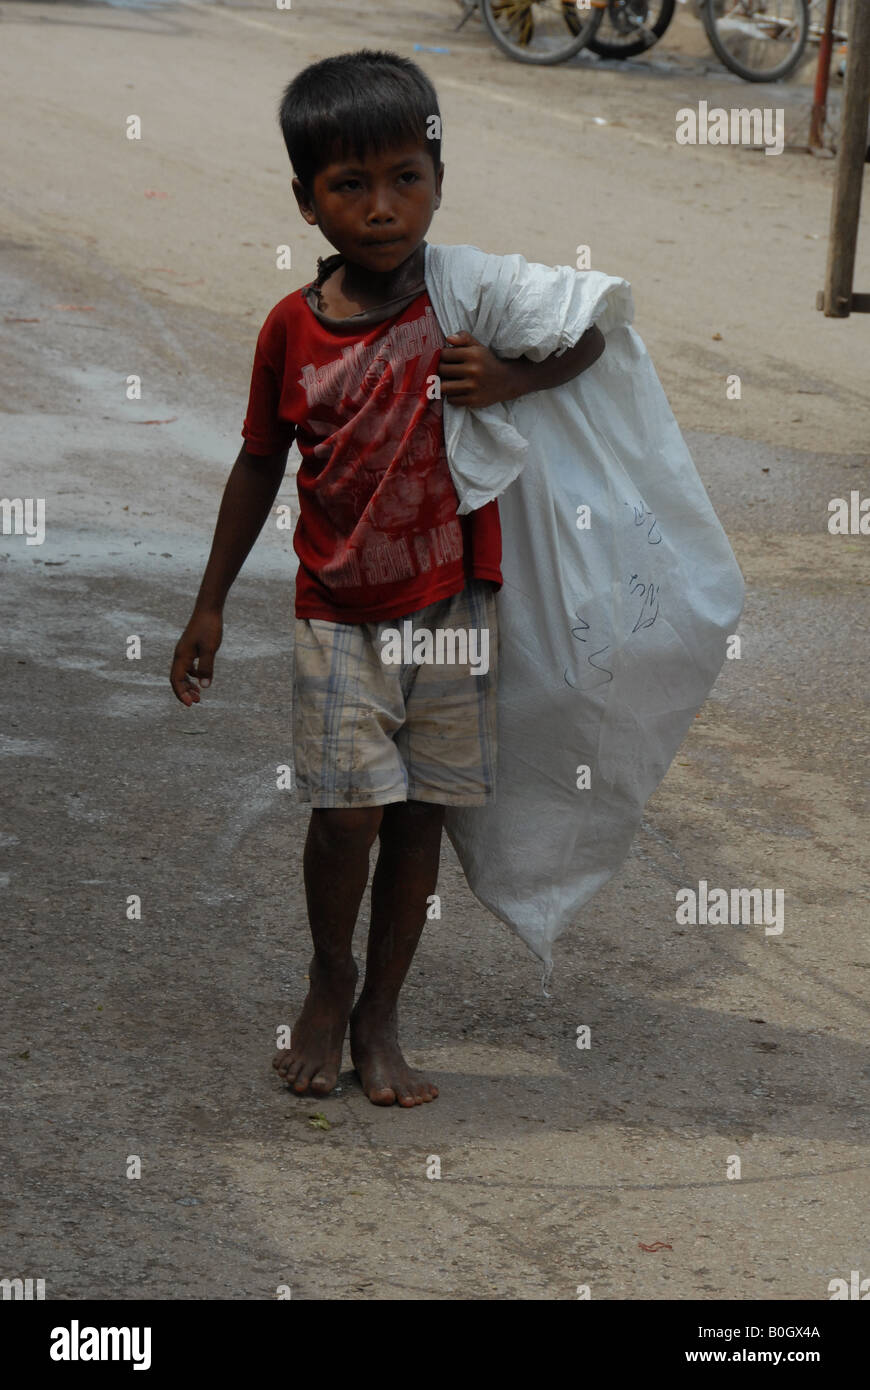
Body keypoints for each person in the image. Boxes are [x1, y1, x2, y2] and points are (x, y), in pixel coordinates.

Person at [169, 49, 605, 1107]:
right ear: (306, 199)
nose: (381, 207)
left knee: (420, 819)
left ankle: (382, 1014)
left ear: (439, 177)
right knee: (346, 814)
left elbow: (595, 332)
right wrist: (211, 600)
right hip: (340, 613)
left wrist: (514, 376)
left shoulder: (467, 301)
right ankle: (331, 975)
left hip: (456, 612)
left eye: (406, 177)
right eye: (349, 185)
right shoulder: (293, 327)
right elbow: (260, 460)